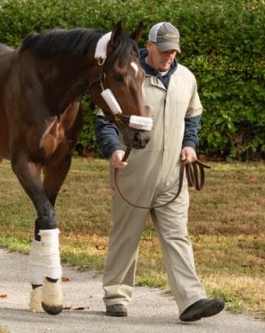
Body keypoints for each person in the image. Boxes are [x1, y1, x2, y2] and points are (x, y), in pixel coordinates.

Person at [95, 22, 225, 322]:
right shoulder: (129, 75)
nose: (168, 56)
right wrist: (113, 149)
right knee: (126, 235)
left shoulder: (186, 78)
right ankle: (116, 295)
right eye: (163, 50)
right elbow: (104, 120)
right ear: (149, 47)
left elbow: (193, 115)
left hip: (173, 175)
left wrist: (190, 145)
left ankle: (191, 300)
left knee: (178, 236)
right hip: (134, 170)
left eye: (173, 51)